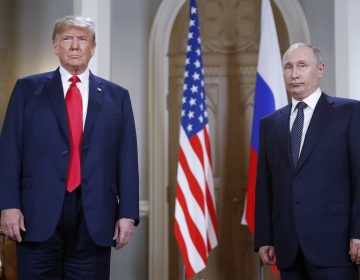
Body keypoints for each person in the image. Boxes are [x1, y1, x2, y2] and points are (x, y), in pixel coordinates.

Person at [0, 15, 139, 279]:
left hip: (95, 217)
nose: (75, 46)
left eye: (82, 39)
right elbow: (9, 152)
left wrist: (128, 214)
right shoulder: (27, 90)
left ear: (92, 48)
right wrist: (8, 205)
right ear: (55, 46)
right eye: (67, 39)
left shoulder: (117, 96)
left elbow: (127, 157)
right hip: (35, 214)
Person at [254, 42, 360, 280]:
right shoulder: (270, 124)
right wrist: (265, 238)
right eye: (288, 67)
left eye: (302, 65)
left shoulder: (350, 113)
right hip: (288, 247)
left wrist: (359, 232)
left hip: (336, 246)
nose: (294, 73)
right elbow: (265, 185)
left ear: (320, 70)